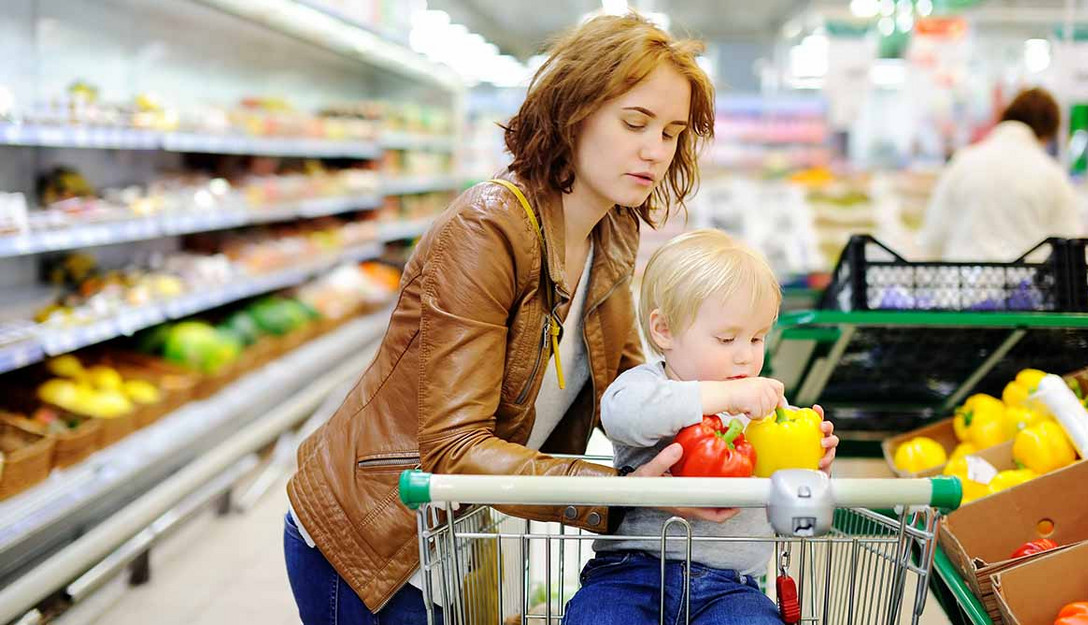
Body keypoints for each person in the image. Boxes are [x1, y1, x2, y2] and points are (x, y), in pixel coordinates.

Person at [283, 13, 717, 624]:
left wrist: (739, 444)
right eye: (634, 122)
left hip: (461, 536)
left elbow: (632, 396)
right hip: (372, 544)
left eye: (671, 133)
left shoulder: (612, 233)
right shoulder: (487, 230)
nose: (655, 150)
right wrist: (621, 495)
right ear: (573, 112)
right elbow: (454, 451)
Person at [564, 229, 839, 625]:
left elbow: (791, 516)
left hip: (733, 587)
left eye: (758, 338)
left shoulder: (765, 415)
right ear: (664, 331)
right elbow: (622, 415)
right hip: (629, 574)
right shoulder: (645, 385)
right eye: (726, 339)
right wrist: (721, 399)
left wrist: (812, 471)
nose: (745, 357)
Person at [920, 87, 1083, 261]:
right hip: (1025, 284)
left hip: (963, 282)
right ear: (1047, 134)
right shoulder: (1052, 174)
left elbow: (934, 237)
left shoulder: (963, 162)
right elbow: (1069, 244)